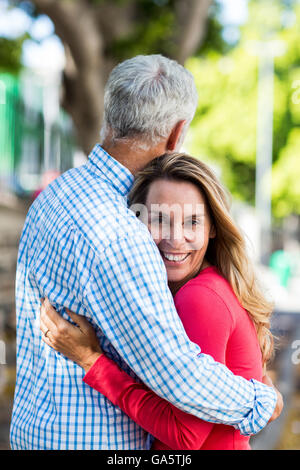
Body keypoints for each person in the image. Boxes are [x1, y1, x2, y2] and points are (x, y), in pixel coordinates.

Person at [10, 55, 282, 450]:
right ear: (176, 135)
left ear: (110, 116)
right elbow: (178, 373)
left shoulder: (56, 194)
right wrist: (260, 399)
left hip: (35, 431)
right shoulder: (119, 233)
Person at [40, 153, 278, 450]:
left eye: (192, 221)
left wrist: (92, 361)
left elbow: (184, 436)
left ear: (212, 228)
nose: (176, 239)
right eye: (160, 220)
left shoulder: (200, 297)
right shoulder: (193, 288)